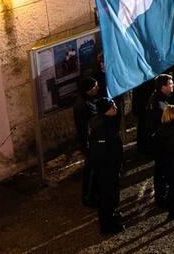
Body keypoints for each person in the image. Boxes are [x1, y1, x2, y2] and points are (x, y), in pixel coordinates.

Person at [90, 98, 124, 234]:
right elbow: (102, 151)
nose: (115, 108)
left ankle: (111, 218)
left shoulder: (104, 121)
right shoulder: (103, 127)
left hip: (110, 167)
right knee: (108, 197)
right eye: (112, 106)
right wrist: (112, 167)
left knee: (111, 196)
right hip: (107, 169)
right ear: (106, 111)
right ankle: (107, 225)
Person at [145, 74, 174, 205]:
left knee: (163, 168)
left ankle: (162, 194)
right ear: (163, 87)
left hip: (161, 140)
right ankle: (161, 197)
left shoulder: (159, 98)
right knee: (162, 169)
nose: (173, 85)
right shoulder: (159, 104)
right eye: (170, 84)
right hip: (161, 142)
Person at [73, 76, 99, 207]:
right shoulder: (85, 106)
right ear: (88, 89)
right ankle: (89, 198)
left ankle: (92, 195)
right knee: (91, 171)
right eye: (95, 86)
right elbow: (86, 127)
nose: (97, 88)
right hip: (90, 142)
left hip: (90, 141)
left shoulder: (86, 101)